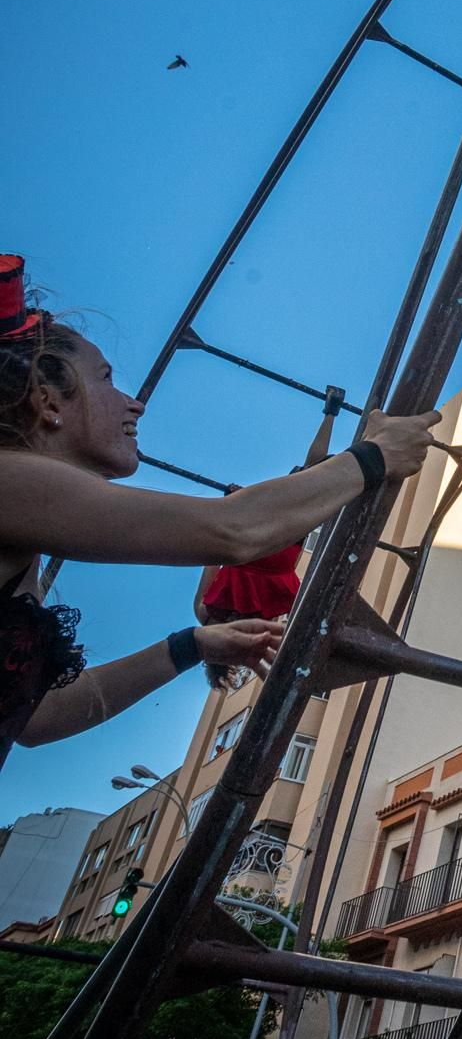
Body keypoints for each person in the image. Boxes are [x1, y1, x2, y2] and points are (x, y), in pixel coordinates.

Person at [0, 254, 438, 769]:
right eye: (107, 380)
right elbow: (232, 529)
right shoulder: (9, 481)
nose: (133, 404)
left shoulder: (22, 541)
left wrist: (193, 645)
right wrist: (374, 457)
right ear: (48, 400)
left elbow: (41, 716)